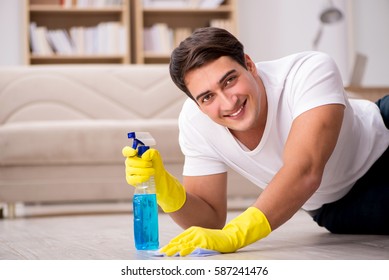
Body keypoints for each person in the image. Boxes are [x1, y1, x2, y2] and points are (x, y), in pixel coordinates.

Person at [122, 27, 389, 256]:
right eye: (207, 97)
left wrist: (236, 234)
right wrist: (166, 188)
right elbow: (209, 221)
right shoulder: (195, 121)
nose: (228, 102)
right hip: (340, 207)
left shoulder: (307, 71)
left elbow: (305, 170)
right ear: (196, 103)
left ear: (249, 65)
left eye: (229, 80)